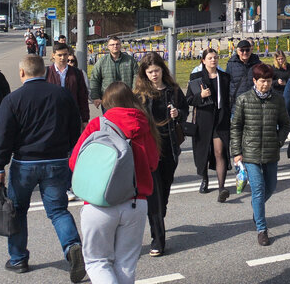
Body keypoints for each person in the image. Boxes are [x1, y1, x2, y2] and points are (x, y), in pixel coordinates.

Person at [0, 55, 84, 279]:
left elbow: (2, 136)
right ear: (45, 71)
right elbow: (75, 128)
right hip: (56, 162)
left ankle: (18, 259)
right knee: (58, 210)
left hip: (24, 164)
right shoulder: (62, 95)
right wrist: (70, 153)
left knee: (18, 211)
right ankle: (72, 247)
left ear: (22, 73)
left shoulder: (13, 100)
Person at [71, 82, 159, 284]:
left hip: (99, 202)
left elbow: (74, 161)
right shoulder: (144, 125)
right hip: (135, 202)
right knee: (126, 263)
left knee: (97, 262)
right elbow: (153, 164)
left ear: (108, 102)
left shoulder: (98, 125)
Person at [230, 64, 290, 246]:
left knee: (270, 187)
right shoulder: (243, 100)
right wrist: (237, 153)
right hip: (250, 152)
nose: (265, 85)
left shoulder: (278, 100)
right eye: (262, 81)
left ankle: (257, 208)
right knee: (258, 189)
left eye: (269, 81)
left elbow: (286, 124)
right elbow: (236, 127)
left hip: (271, 151)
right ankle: (262, 229)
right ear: (255, 81)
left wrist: (278, 141)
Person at [134, 53, 188, 257]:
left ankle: (158, 218)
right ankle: (158, 240)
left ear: (162, 70)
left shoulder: (173, 90)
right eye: (150, 72)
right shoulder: (140, 93)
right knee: (154, 195)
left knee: (164, 191)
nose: (154, 75)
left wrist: (178, 114)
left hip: (170, 145)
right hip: (149, 148)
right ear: (144, 73)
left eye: (156, 70)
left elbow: (184, 108)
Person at [186, 48, 232, 199]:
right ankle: (204, 179)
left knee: (220, 152)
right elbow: (189, 100)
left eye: (215, 57)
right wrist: (201, 95)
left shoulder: (224, 77)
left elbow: (228, 100)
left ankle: (221, 188)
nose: (213, 60)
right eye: (210, 58)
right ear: (203, 61)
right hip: (203, 120)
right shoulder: (196, 77)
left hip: (220, 120)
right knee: (204, 152)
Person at [46, 44, 90, 128]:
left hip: (72, 117)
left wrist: (85, 120)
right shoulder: (46, 73)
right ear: (53, 55)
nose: (63, 58)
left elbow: (82, 97)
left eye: (65, 54)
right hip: (52, 118)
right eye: (60, 55)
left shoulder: (77, 73)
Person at [89, 36, 137, 108]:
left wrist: (135, 93)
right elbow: (94, 79)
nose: (115, 46)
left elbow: (137, 76)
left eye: (117, 44)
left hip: (127, 98)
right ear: (108, 46)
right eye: (112, 44)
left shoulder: (130, 60)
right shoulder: (102, 61)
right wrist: (95, 97)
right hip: (108, 99)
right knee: (109, 119)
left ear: (120, 45)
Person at [226, 40, 262, 107]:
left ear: (251, 50)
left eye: (247, 50)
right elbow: (226, 83)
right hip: (236, 104)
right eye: (242, 50)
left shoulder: (258, 64)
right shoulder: (231, 64)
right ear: (238, 51)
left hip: (254, 104)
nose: (245, 52)